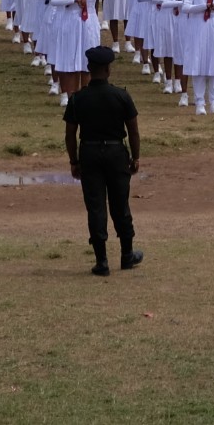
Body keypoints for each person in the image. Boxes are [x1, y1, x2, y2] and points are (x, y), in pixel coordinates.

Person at [62, 45, 143, 276]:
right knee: (120, 205)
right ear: (108, 70)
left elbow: (70, 134)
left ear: (89, 69)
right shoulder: (121, 95)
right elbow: (133, 131)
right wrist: (136, 157)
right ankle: (127, 255)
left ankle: (102, 261)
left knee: (96, 206)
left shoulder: (77, 99)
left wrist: (74, 161)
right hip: (116, 153)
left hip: (89, 153)